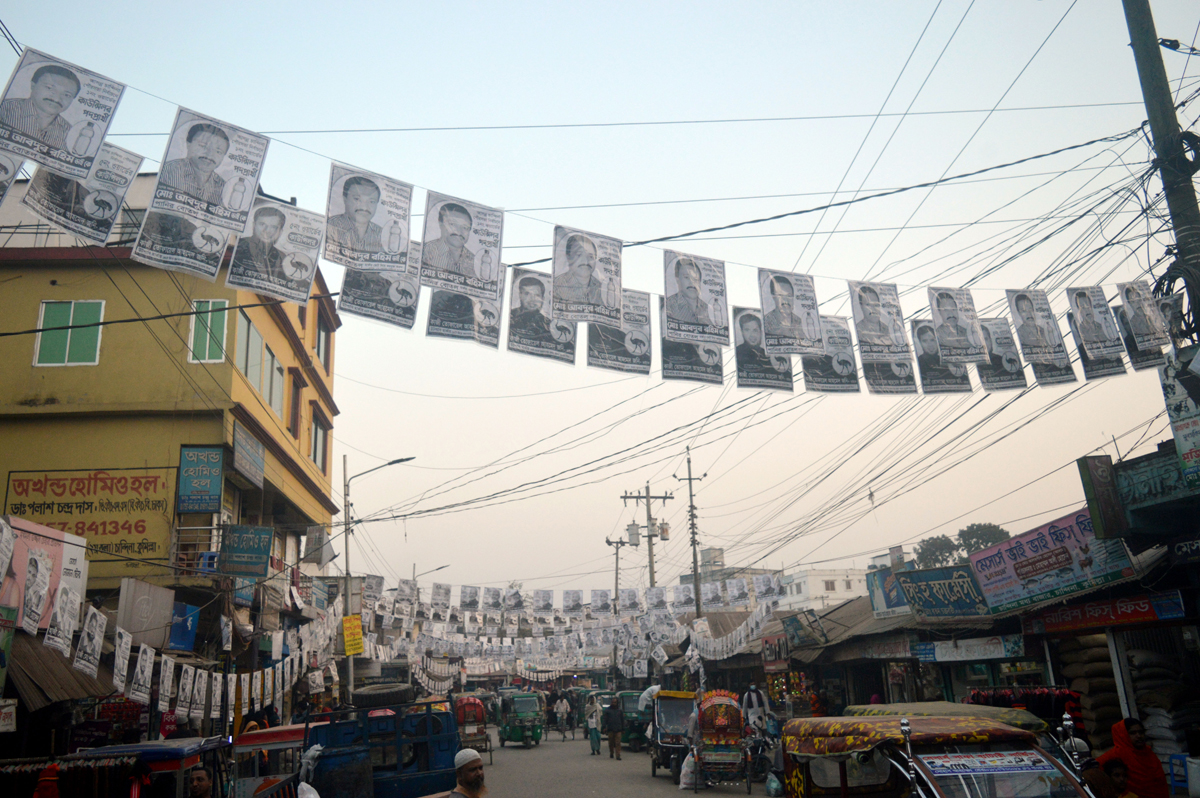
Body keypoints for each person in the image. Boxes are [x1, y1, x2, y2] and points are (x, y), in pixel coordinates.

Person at [0, 63, 81, 149]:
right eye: (49, 88)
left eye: (66, 95)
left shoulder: (70, 134)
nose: (57, 98)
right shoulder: (4, 109)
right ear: (33, 85)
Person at [160, 123, 230, 205]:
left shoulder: (224, 187)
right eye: (203, 146)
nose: (210, 154)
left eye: (218, 151)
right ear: (188, 144)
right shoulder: (168, 171)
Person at [1098, 718, 1167, 798]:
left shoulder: (1149, 754)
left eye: (1141, 732)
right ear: (1123, 734)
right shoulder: (1117, 754)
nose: (1138, 736)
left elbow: (1161, 785)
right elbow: (1093, 770)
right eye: (1133, 733)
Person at [327, 175, 383, 253]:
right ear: (345, 199)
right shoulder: (330, 226)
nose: (364, 207)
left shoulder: (382, 234)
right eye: (357, 199)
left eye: (371, 201)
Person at [231, 206, 287, 280]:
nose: (266, 230)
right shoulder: (236, 245)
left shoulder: (283, 258)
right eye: (262, 224)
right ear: (253, 225)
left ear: (280, 232)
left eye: (273, 227)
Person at [423, 202, 477, 277]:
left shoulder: (475, 262)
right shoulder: (426, 251)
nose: (459, 231)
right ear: (441, 224)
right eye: (452, 224)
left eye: (465, 227)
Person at [554, 233, 604, 305]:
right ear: (568, 257)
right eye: (579, 255)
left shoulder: (602, 288)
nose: (585, 261)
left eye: (591, 256)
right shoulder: (557, 285)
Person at [666, 258, 710, 324]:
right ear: (678, 280)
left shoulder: (707, 308)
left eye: (696, 279)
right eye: (687, 277)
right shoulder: (669, 305)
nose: (692, 283)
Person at [603, 694, 624, 759]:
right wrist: (604, 727)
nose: (613, 703)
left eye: (615, 702)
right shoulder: (607, 710)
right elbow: (605, 720)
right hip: (610, 729)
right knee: (611, 743)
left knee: (618, 743)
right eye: (612, 702)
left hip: (618, 729)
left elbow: (622, 720)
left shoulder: (620, 711)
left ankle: (618, 755)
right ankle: (611, 753)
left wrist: (623, 729)